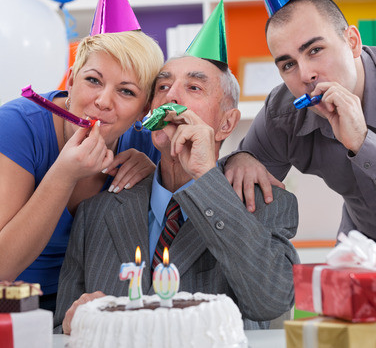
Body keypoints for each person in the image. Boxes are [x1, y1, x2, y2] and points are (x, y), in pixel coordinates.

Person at [53, 49, 300, 332]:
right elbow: (62, 330)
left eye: (194, 87)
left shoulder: (268, 204)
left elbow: (273, 301)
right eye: (163, 87)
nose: (171, 97)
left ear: (227, 123)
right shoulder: (94, 213)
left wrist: (206, 175)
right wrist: (76, 322)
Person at [0, 29, 165, 312]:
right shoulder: (16, 124)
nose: (103, 101)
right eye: (93, 80)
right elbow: (4, 264)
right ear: (71, 81)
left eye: (126, 91)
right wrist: (63, 173)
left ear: (144, 109)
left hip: (60, 293)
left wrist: (153, 178)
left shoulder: (144, 144)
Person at [224, 0, 376, 268]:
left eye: (315, 50)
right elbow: (235, 204)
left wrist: (363, 143)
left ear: (352, 41)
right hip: (365, 262)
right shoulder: (282, 113)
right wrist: (239, 158)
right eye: (288, 64)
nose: (305, 75)